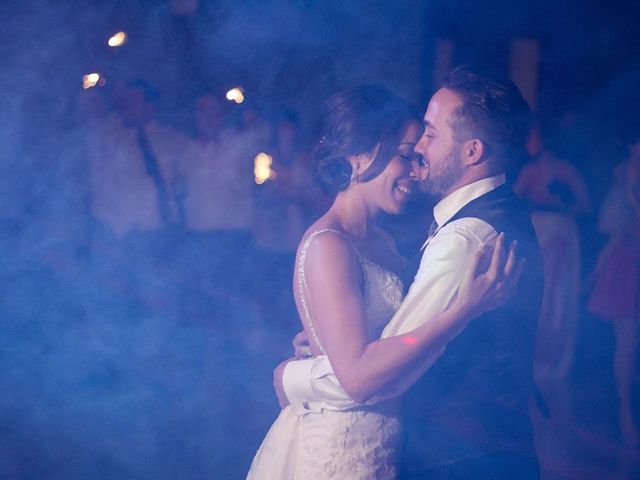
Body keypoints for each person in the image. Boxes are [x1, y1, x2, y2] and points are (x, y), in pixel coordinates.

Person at [273, 67, 543, 479]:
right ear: (360, 157)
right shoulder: (333, 243)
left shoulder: (461, 239)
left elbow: (371, 373)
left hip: (458, 457)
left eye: (430, 135)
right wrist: (327, 337)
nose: (419, 158)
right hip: (357, 447)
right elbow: (368, 364)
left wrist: (293, 377)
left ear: (471, 152)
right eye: (407, 150)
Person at [514, 123, 591, 383]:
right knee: (535, 292)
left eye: (534, 136)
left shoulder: (567, 173)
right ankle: (529, 358)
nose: (530, 141)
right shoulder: (529, 171)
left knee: (557, 296)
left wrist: (564, 201)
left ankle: (552, 362)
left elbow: (584, 206)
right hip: (536, 231)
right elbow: (513, 203)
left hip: (560, 233)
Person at [588, 128, 640, 448]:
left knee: (627, 342)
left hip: (627, 258)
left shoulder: (627, 174)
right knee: (626, 341)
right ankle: (624, 414)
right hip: (629, 263)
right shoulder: (629, 175)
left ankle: (624, 413)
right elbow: (616, 228)